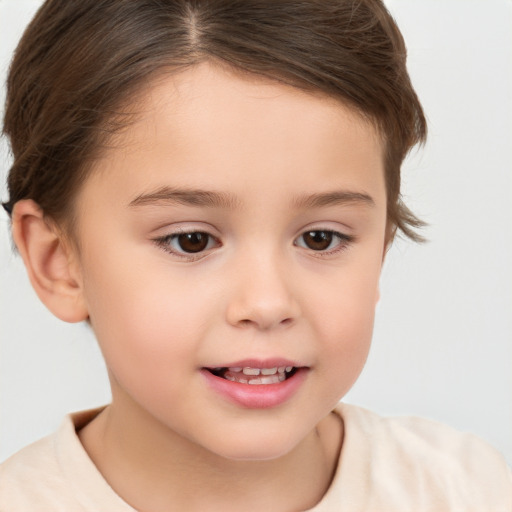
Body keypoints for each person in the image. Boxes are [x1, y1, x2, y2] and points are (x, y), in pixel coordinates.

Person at [0, 0, 510, 510]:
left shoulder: (466, 491)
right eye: (191, 240)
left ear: (380, 249)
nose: (267, 304)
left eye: (320, 239)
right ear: (57, 261)